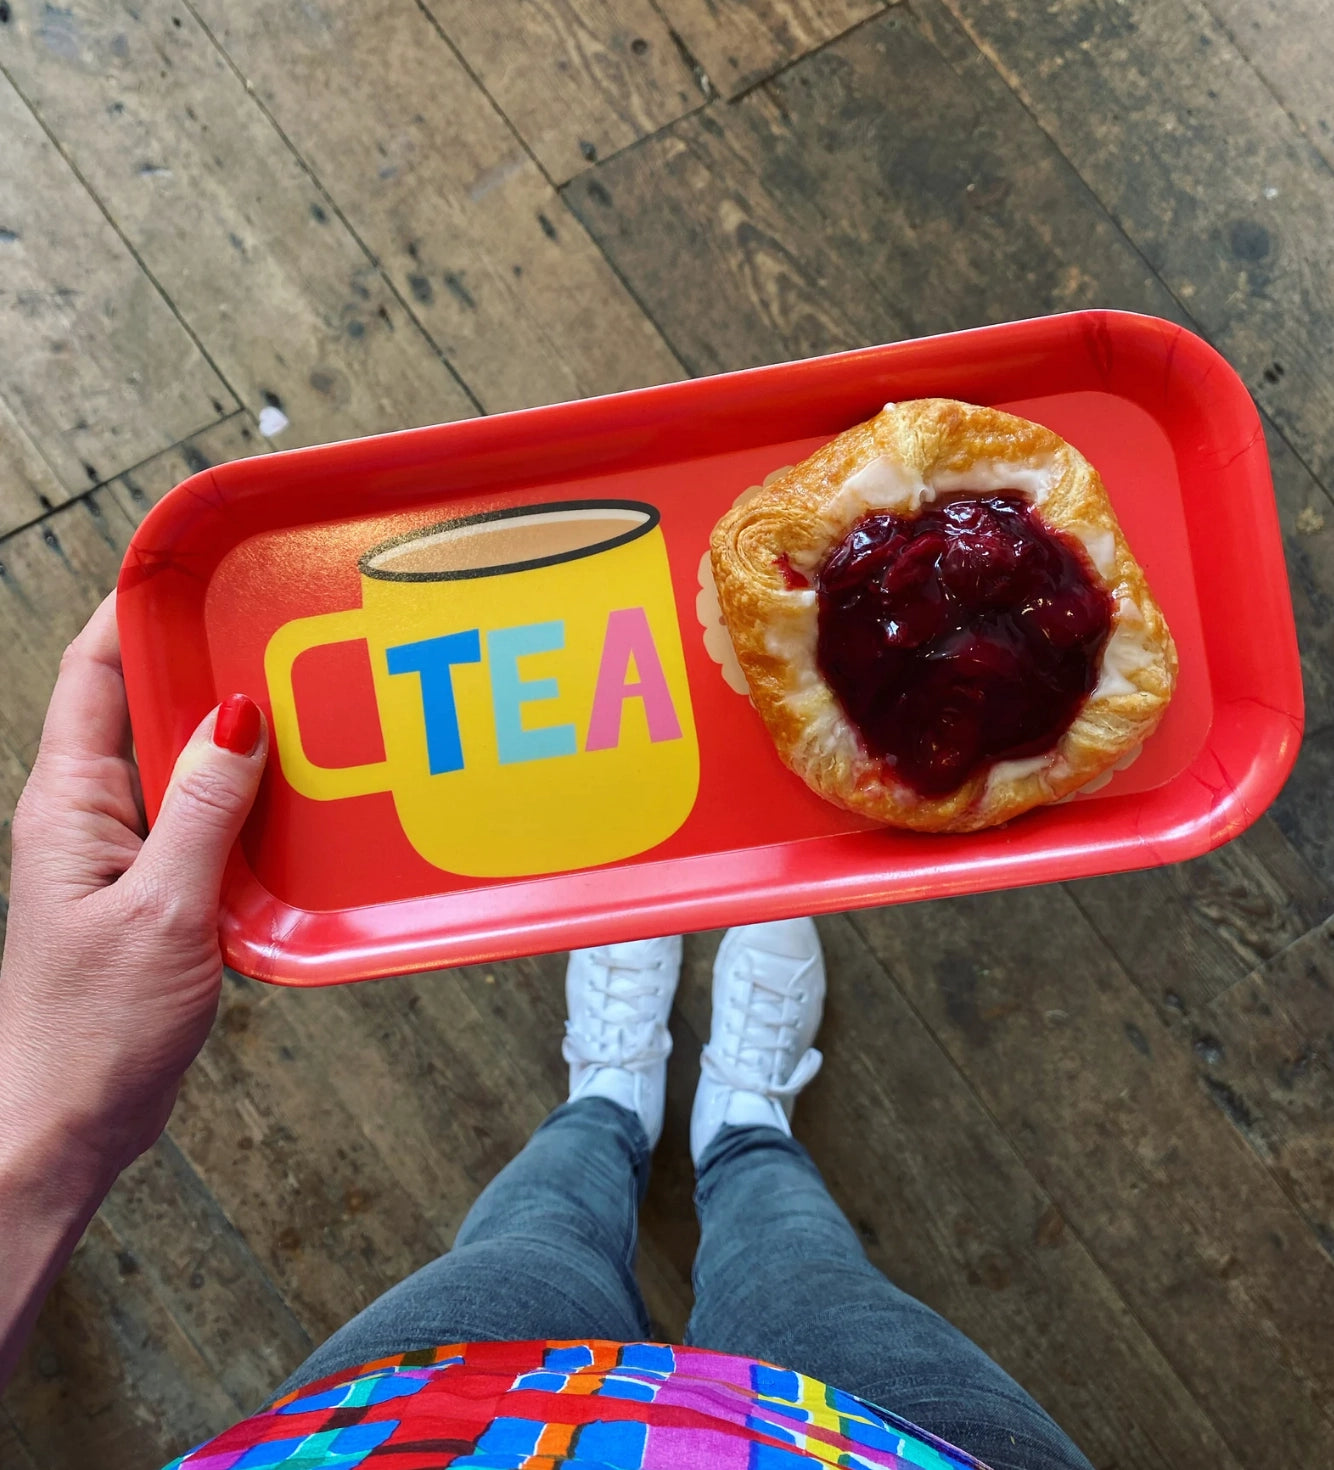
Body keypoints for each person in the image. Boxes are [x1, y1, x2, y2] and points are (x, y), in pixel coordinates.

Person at [0, 596, 1094, 1470]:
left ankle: (612, 1100)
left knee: (539, 1242)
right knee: (799, 1275)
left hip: (410, 1437)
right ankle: (739, 1128)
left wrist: (49, 1130)